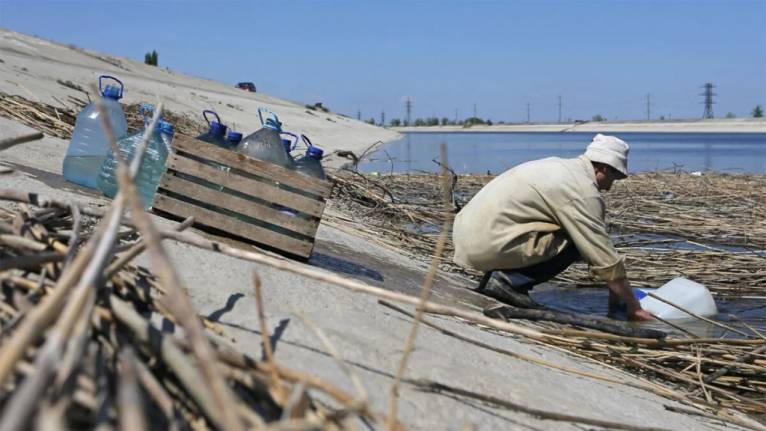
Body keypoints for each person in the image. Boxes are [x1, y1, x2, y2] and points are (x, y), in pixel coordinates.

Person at [452, 134, 652, 321]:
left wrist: (616, 297)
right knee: (577, 241)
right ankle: (508, 281)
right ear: (605, 169)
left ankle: (505, 278)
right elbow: (603, 256)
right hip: (489, 243)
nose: (609, 187)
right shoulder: (582, 191)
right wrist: (634, 308)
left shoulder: (559, 166)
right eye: (612, 179)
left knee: (577, 236)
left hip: (468, 237)